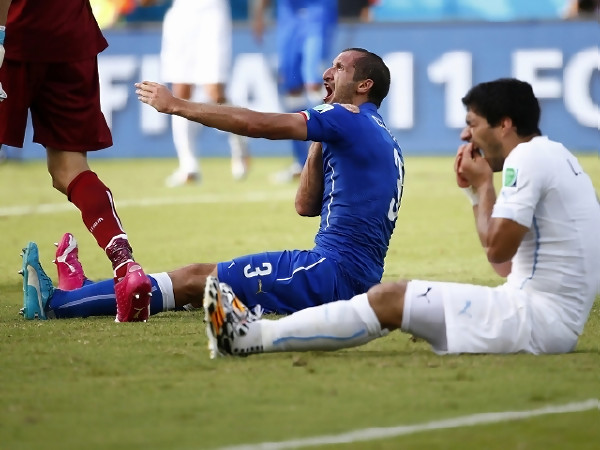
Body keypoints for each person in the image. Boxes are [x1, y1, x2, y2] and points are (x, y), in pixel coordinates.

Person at [203, 78, 600, 358]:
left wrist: (484, 188)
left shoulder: (526, 159)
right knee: (394, 299)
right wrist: (474, 193)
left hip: (532, 319)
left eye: (472, 125)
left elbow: (497, 249)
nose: (466, 137)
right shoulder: (557, 155)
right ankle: (250, 334)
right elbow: (505, 266)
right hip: (546, 320)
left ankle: (249, 337)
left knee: (390, 298)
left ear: (505, 125)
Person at [20, 48, 405, 323]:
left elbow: (257, 124)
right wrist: (320, 138)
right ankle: (84, 293)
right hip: (351, 277)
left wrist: (177, 105)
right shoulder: (380, 135)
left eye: (339, 67)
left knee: (193, 280)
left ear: (364, 85)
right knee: (200, 289)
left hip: (329, 274)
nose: (327, 73)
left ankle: (55, 304)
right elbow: (305, 205)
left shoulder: (347, 118)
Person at [1, 0, 151, 322]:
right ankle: (125, 263)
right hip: (71, 34)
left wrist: (0, 35)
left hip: (16, 34)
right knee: (69, 168)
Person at [140, 0, 250, 186]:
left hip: (211, 12)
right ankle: (188, 166)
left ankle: (240, 146)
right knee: (180, 92)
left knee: (215, 92)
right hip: (181, 15)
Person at [252, 0, 338, 183]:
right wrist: (259, 14)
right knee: (292, 89)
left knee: (314, 82)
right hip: (288, 16)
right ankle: (302, 163)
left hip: (317, 12)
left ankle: (328, 160)